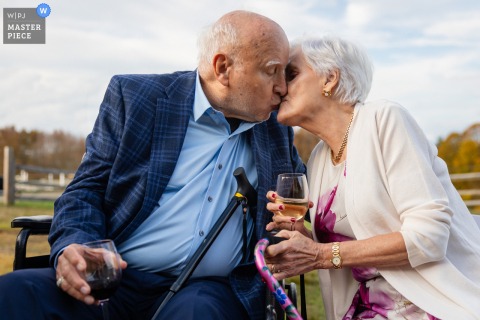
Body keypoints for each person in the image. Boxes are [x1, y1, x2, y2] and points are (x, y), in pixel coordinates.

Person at [0, 10, 305, 320]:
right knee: (14, 293)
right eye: (272, 71)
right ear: (223, 67)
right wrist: (74, 245)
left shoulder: (275, 131)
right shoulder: (136, 98)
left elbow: (297, 205)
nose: (283, 87)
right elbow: (85, 190)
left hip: (205, 290)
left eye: (286, 74)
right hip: (115, 275)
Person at [264, 35, 480, 320]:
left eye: (291, 74)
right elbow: (341, 245)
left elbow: (429, 237)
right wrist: (301, 241)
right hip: (364, 311)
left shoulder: (385, 119)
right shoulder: (318, 157)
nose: (279, 87)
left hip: (429, 306)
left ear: (330, 79)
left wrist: (319, 255)